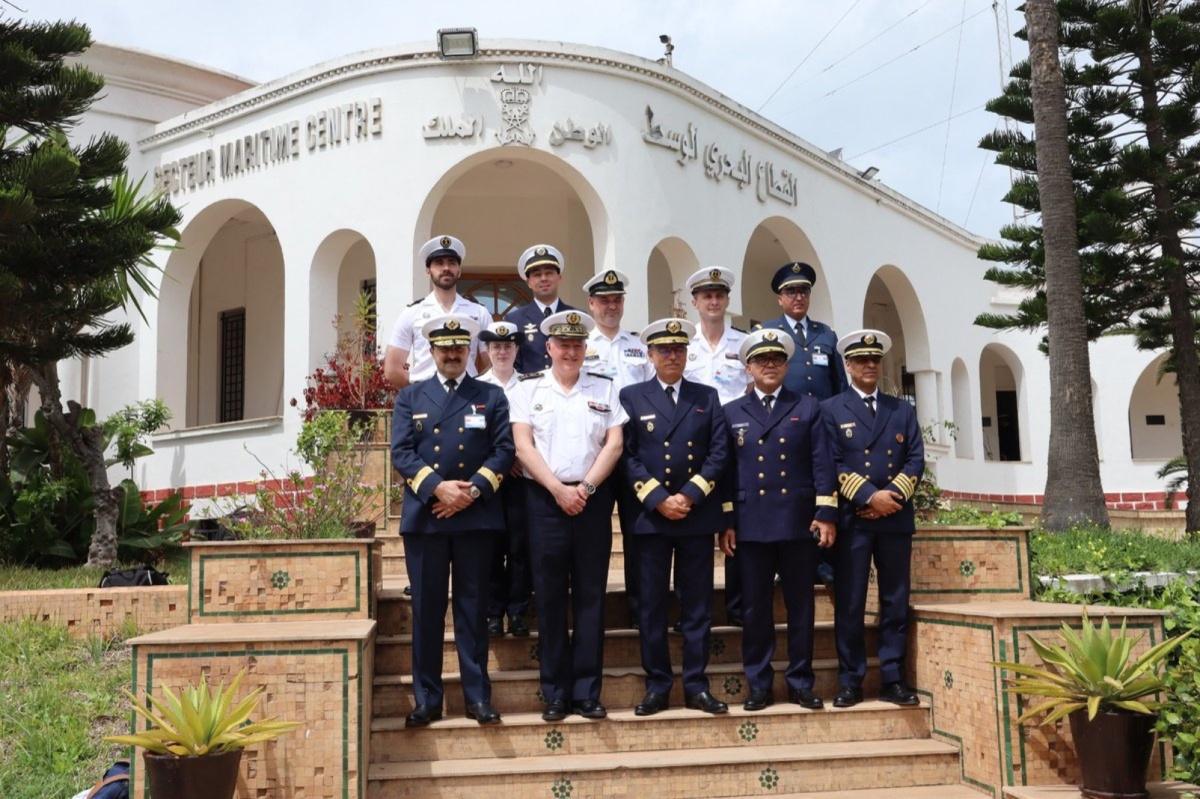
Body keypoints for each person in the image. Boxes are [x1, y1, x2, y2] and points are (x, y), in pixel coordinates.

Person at [390, 313, 515, 727]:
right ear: (431, 351)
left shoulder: (490, 396)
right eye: (444, 348)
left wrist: (471, 491)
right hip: (427, 520)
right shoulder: (410, 397)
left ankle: (477, 697)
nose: (452, 353)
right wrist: (438, 489)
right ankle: (427, 699)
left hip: (475, 519)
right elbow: (402, 453)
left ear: (469, 351)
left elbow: (503, 451)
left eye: (459, 347)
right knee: (427, 611)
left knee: (472, 610)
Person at [508, 310, 627, 721]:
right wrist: (559, 490)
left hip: (592, 501)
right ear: (549, 348)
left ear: (584, 348)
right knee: (551, 598)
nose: (571, 351)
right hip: (544, 502)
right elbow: (523, 448)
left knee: (592, 598)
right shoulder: (528, 390)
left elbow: (614, 445)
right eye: (564, 345)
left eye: (578, 345)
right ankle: (556, 692)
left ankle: (587, 692)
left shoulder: (606, 388)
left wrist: (586, 490)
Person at [720, 328, 837, 711]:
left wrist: (824, 513)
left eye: (776, 360)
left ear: (786, 366)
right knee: (755, 610)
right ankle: (759, 684)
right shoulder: (731, 412)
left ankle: (801, 681)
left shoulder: (807, 407)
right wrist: (727, 521)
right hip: (751, 524)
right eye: (761, 361)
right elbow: (725, 471)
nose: (769, 366)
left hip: (798, 522)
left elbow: (822, 463)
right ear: (748, 368)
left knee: (801, 607)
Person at [620, 318, 730, 716]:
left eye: (678, 350)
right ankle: (658, 685)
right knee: (651, 606)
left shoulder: (707, 396)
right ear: (649, 355)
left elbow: (719, 452)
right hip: (651, 518)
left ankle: (697, 685)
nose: (671, 356)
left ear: (687, 354)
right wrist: (658, 498)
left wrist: (689, 494)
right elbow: (626, 455)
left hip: (695, 516)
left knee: (697, 606)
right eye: (663, 350)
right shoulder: (631, 397)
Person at [821, 329, 924, 708]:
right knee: (850, 602)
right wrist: (868, 496)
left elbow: (915, 459)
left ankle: (893, 679)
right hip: (855, 519)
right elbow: (831, 461)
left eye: (874, 360)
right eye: (861, 360)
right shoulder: (830, 409)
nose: (869, 365)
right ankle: (851, 681)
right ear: (847, 365)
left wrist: (889, 498)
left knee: (895, 601)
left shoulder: (903, 411)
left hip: (894, 519)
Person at [760, 260, 845, 587]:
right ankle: (786, 560)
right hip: (785, 426)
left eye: (803, 291)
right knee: (789, 493)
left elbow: (838, 387)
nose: (798, 297)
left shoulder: (826, 334)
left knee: (821, 491)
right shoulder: (768, 333)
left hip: (821, 427)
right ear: (780, 298)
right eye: (791, 291)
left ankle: (821, 560)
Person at [582, 268, 655, 626]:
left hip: (634, 453)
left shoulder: (639, 346)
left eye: (616, 300)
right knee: (593, 538)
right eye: (603, 300)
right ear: (591, 304)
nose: (611, 306)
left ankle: (640, 609)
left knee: (638, 534)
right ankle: (592, 609)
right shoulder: (582, 347)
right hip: (594, 454)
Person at [682, 266, 751, 626]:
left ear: (727, 300)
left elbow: (752, 389)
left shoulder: (743, 344)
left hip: (736, 443)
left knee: (734, 520)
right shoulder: (682, 345)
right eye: (706, 295)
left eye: (719, 295)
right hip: (692, 446)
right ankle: (690, 609)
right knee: (690, 528)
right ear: (694, 302)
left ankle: (738, 606)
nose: (713, 301)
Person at [477, 320, 531, 638]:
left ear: (516, 350)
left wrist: (517, 459)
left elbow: (536, 432)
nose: (502, 351)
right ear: (487, 350)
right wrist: (498, 464)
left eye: (508, 346)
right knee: (493, 547)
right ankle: (493, 613)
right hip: (489, 481)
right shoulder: (478, 387)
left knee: (521, 548)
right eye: (496, 346)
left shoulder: (530, 385)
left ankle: (519, 611)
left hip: (523, 478)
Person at [384, 235, 492, 388]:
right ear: (428, 270)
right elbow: (392, 369)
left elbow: (490, 364)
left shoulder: (479, 313)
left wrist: (477, 391)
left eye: (452, 263)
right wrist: (419, 392)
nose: (446, 268)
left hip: (468, 397)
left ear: (459, 270)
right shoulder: (412, 313)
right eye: (439, 263)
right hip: (425, 396)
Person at [505, 244, 575, 375]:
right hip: (529, 391)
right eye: (537, 275)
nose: (544, 278)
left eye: (549, 273)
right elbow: (512, 364)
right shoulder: (514, 320)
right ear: (528, 282)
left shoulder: (574, 316)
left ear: (559, 278)